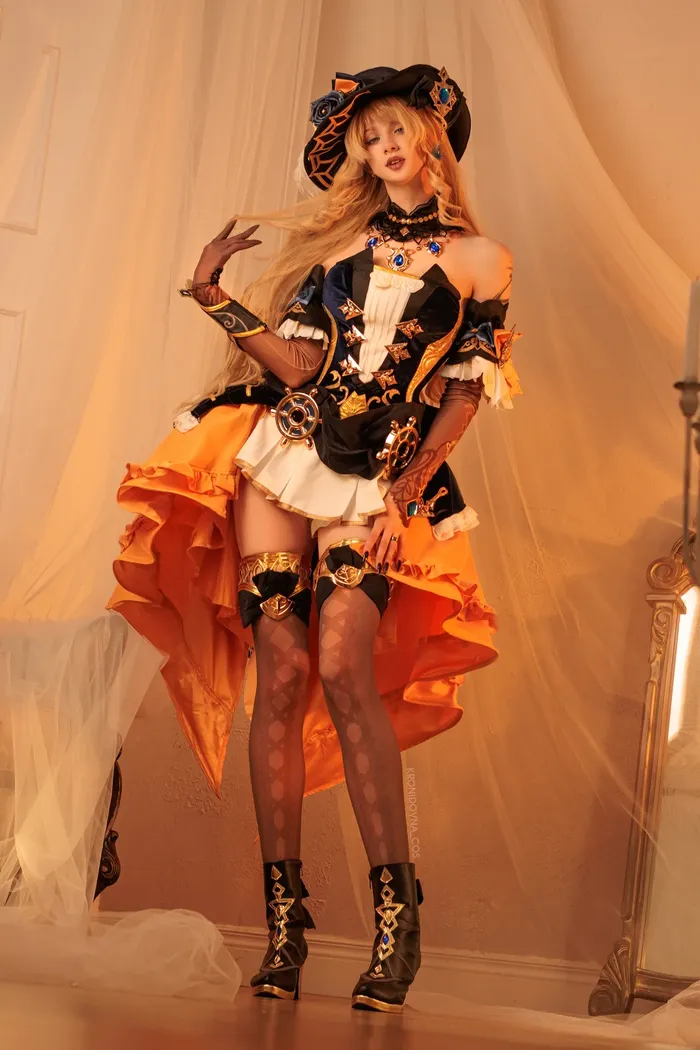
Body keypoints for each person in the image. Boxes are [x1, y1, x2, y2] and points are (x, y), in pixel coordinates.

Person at [108, 64, 521, 1013]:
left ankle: (396, 923)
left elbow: (465, 393)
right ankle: (285, 929)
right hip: (282, 459)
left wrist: (405, 495)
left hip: (377, 476)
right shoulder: (338, 253)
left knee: (343, 662)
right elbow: (298, 365)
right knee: (284, 673)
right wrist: (211, 292)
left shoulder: (481, 260)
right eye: (369, 136)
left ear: (431, 136)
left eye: (396, 128)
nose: (383, 146)